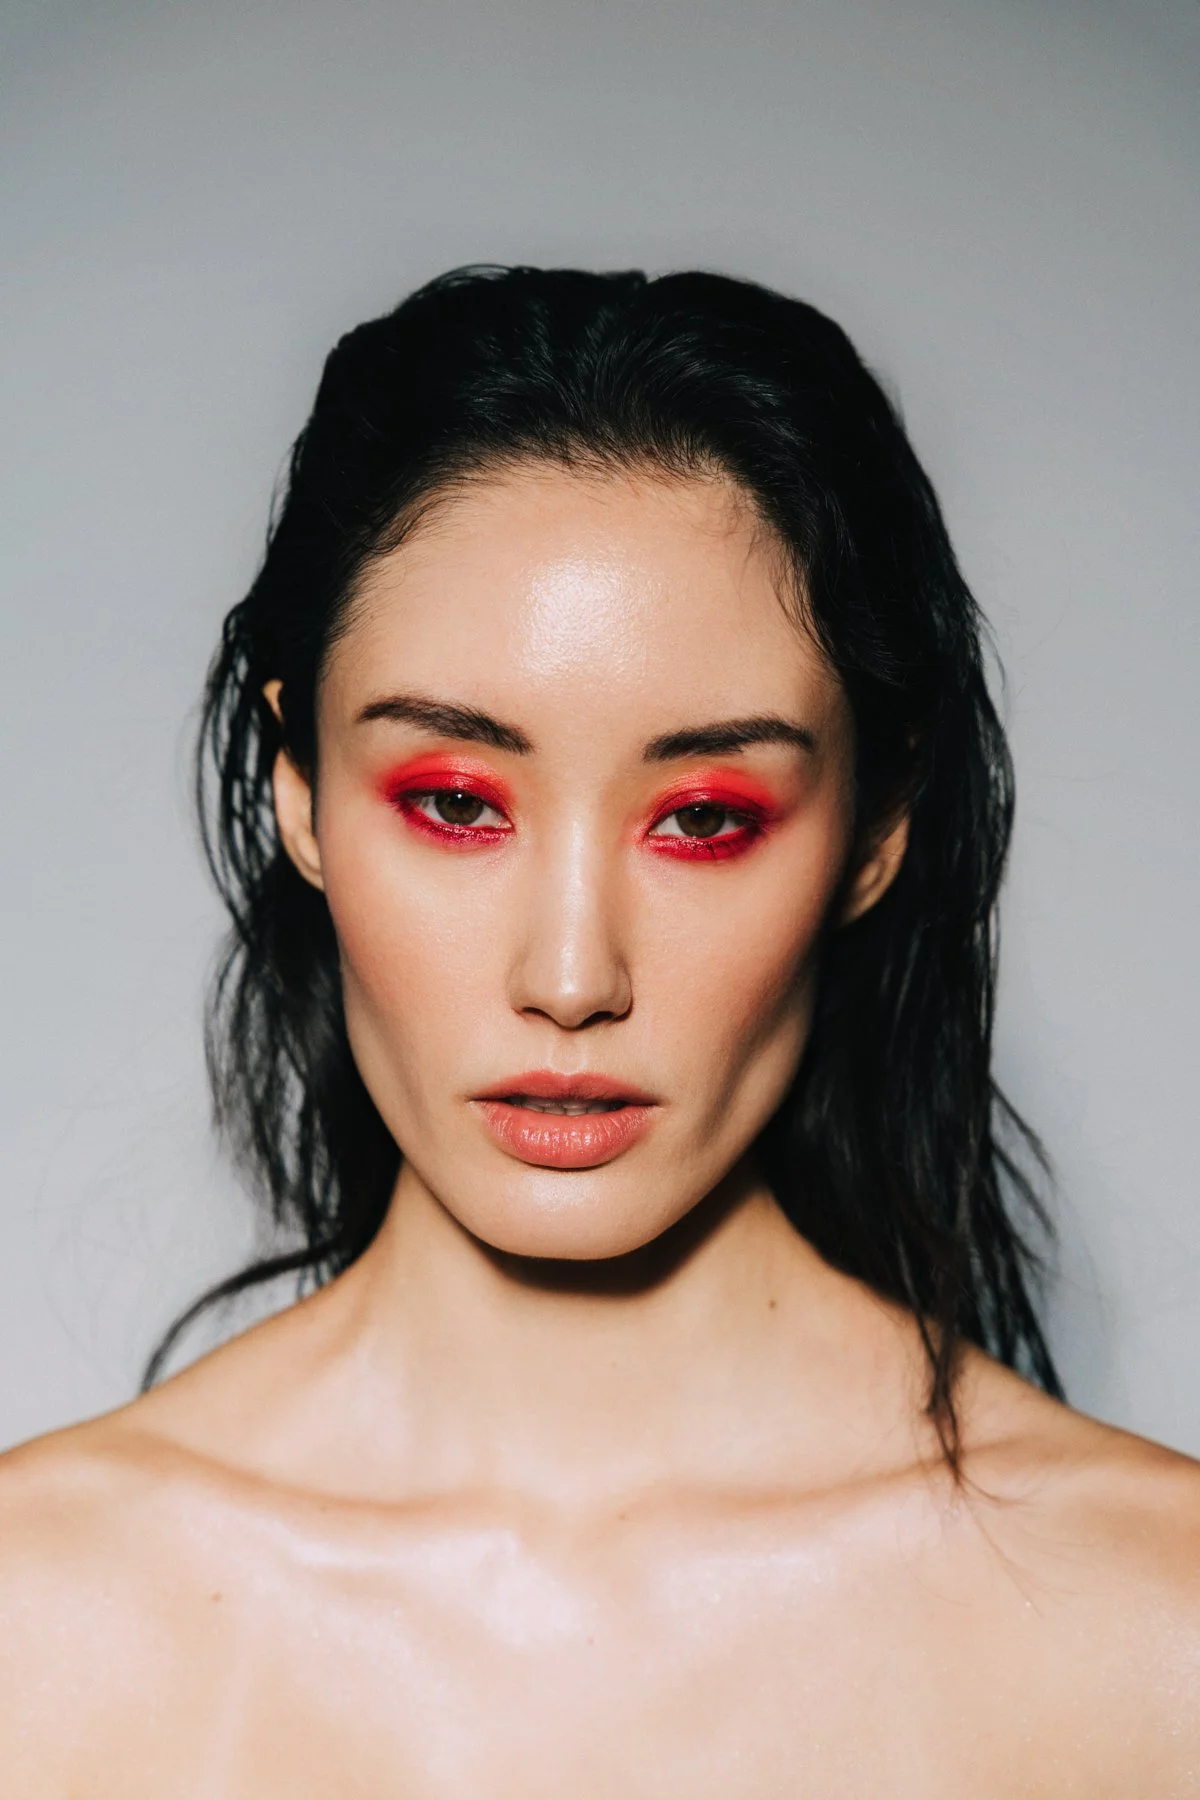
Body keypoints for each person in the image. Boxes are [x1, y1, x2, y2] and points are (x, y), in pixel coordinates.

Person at [1, 264, 1197, 1795]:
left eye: (702, 817)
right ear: (297, 789)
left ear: (878, 829)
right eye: (452, 802)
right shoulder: (35, 1629)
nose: (572, 978)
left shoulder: (1163, 1632)